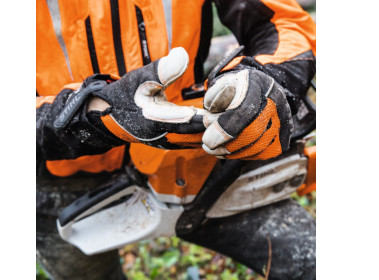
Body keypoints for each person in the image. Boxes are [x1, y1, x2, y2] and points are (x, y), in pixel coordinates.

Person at [34, 0, 316, 279]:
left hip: (197, 152)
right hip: (59, 171)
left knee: (311, 262)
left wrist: (265, 78)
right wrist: (89, 114)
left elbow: (284, 22)